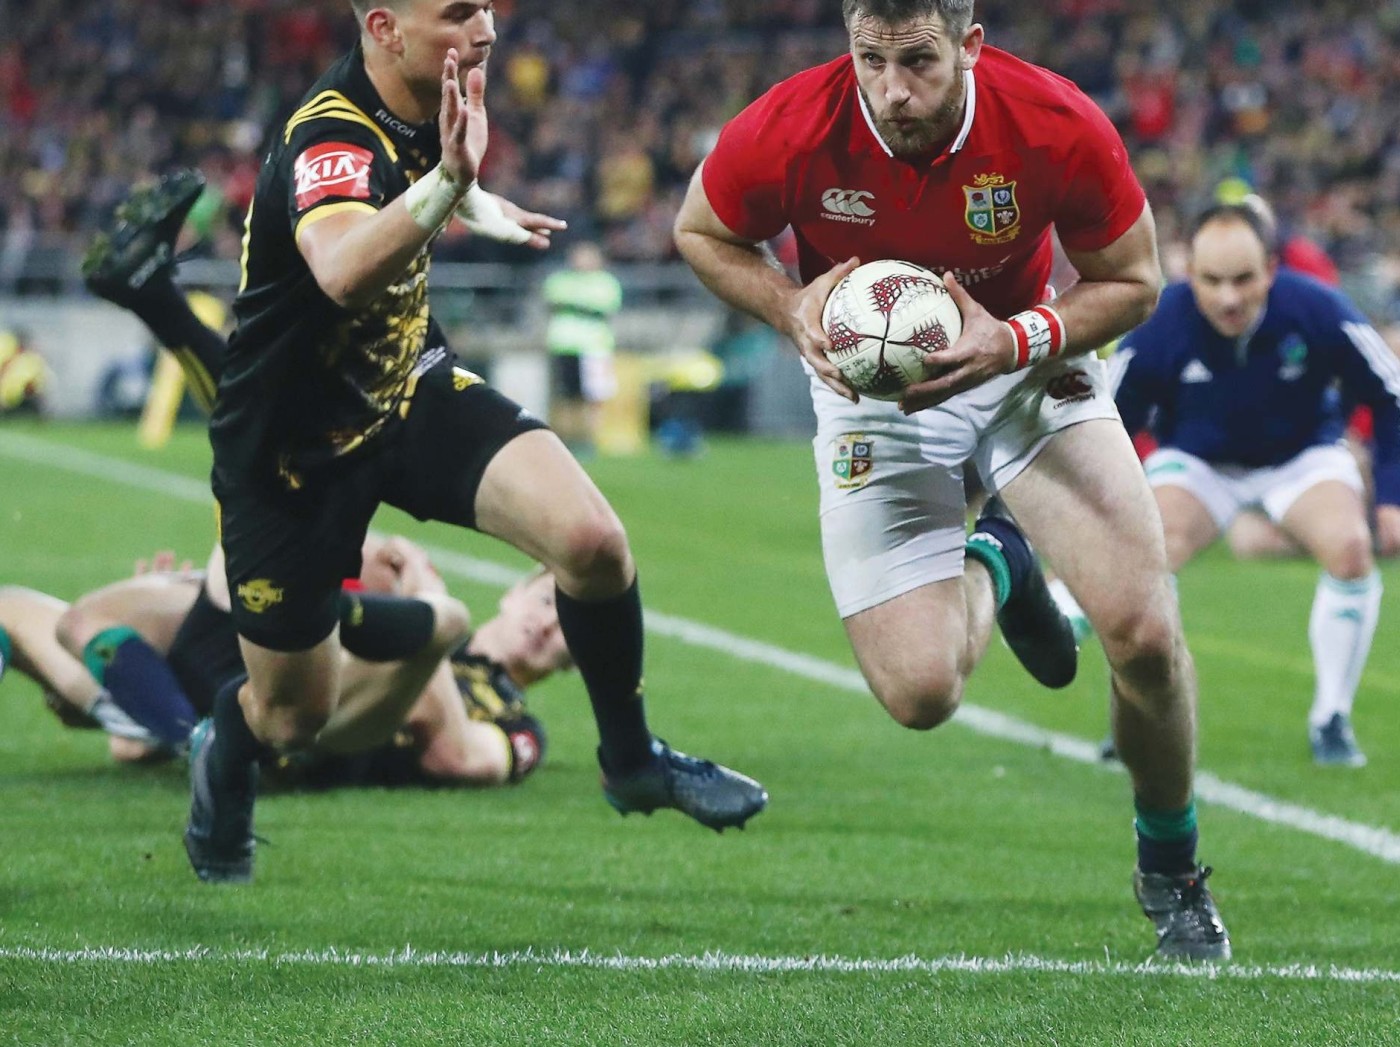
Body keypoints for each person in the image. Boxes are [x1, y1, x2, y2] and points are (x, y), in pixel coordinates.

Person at [83, 3, 767, 886]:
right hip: (292, 452)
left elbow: (413, 178)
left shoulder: (428, 90)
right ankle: (229, 742)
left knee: (592, 543)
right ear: (384, 28)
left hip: (407, 385)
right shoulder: (330, 136)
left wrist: (469, 196)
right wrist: (449, 184)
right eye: (455, 13)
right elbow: (339, 266)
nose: (484, 28)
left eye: (484, 6)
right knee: (293, 719)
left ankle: (632, 760)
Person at [673, 0, 1228, 961]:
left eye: (919, 62)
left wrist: (1014, 338)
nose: (892, 90)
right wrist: (789, 305)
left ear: (970, 45)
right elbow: (701, 231)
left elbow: (1136, 279)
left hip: (1021, 362)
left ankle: (1171, 868)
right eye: (871, 59)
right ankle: (1000, 556)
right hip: (870, 394)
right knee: (921, 692)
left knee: (1143, 633)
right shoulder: (790, 126)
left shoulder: (1052, 121)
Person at [1108, 202, 1400, 768]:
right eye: (1212, 280)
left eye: (1243, 279)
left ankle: (1332, 719)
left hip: (1301, 457)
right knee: (1146, 557)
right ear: (1188, 272)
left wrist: (1391, 497)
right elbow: (1109, 422)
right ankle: (1145, 716)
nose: (1228, 298)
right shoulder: (1159, 323)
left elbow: (1390, 397)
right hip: (1198, 463)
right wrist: (1095, 516)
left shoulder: (1317, 307)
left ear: (1270, 269)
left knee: (1350, 548)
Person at [0, 539, 561, 788]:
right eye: (545, 603)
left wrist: (421, 609)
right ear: (514, 592)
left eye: (566, 632)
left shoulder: (515, 720)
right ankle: (184, 728)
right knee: (14, 608)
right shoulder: (403, 607)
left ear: (576, 663)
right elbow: (129, 753)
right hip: (237, 674)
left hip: (309, 732)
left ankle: (182, 714)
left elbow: (459, 758)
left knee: (444, 619)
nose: (545, 626)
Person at [543, 240, 623, 456]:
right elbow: (554, 300)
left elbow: (605, 306)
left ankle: (589, 439)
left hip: (595, 347)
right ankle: (564, 438)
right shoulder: (560, 280)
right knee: (566, 396)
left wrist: (574, 304)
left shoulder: (606, 282)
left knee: (594, 396)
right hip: (564, 346)